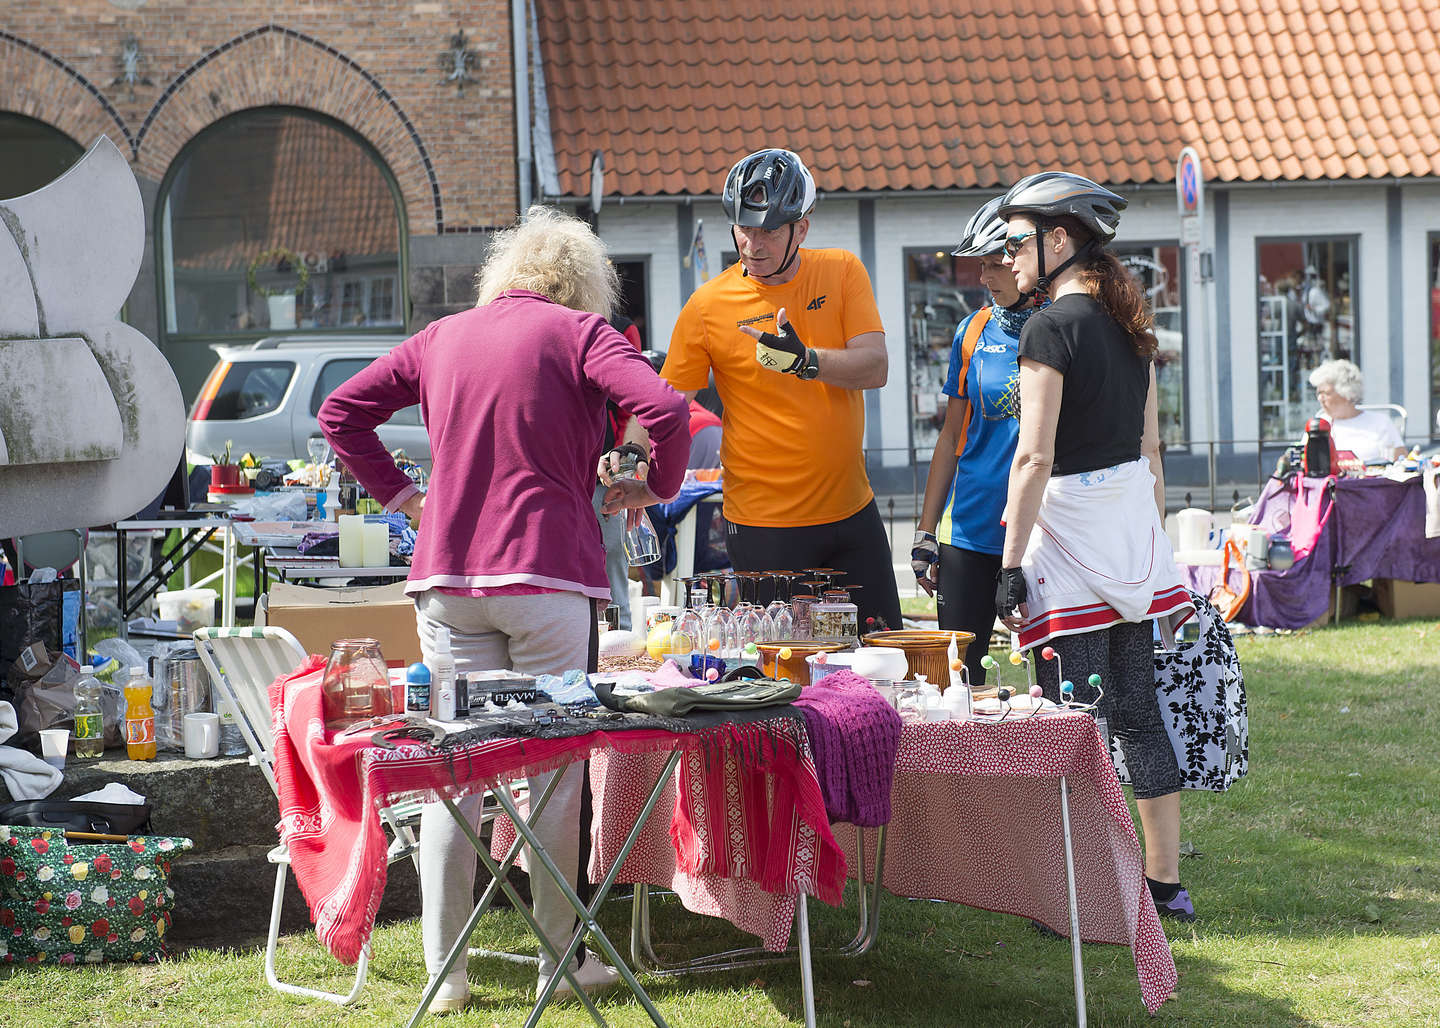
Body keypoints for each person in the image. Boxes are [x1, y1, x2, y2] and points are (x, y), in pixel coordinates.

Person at [318, 206, 690, 1012]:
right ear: (583, 284)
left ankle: (444, 974)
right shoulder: (582, 334)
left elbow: (339, 412)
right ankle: (560, 961)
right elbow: (666, 410)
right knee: (553, 777)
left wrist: (403, 497)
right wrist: (653, 488)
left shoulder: (442, 336)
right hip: (548, 578)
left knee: (455, 773)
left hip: (447, 582)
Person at [992, 171, 1197, 922]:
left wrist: (1008, 568)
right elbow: (1151, 451)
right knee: (1138, 712)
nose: (1007, 257)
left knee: (1068, 722)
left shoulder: (1047, 329)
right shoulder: (1131, 328)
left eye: (1016, 243)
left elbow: (1033, 457)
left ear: (1058, 241)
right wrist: (1149, 542)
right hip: (1130, 542)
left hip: (1067, 542)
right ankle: (1164, 887)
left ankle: (1079, 894)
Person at [642, 147, 902, 633]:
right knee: (787, 667)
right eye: (743, 227)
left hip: (852, 513)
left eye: (769, 231)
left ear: (801, 228)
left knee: (883, 653)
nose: (752, 244)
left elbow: (876, 366)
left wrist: (807, 361)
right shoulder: (707, 305)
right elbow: (665, 402)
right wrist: (631, 455)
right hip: (764, 524)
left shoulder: (842, 270)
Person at [912, 196, 1044, 686]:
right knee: (958, 683)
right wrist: (926, 530)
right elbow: (951, 436)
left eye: (994, 264)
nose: (984, 277)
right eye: (980, 265)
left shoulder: (1062, 328)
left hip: (1039, 531)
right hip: (969, 529)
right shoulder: (972, 331)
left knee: (1053, 676)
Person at [1308, 358, 1404, 463]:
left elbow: (1401, 461)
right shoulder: (1318, 424)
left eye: (1325, 393)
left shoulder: (1380, 422)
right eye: (1318, 393)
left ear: (1346, 394)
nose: (1320, 398)